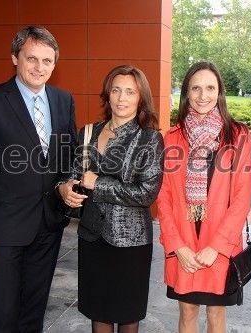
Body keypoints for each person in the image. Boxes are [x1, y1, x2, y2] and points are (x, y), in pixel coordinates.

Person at [0, 26, 77, 332]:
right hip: (1, 230)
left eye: (47, 61)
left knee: (34, 309)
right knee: (4, 312)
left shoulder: (64, 100)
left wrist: (68, 183)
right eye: (32, 58)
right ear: (15, 58)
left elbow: (67, 157)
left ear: (55, 63)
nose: (40, 67)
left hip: (48, 225)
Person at [57, 65, 164, 333]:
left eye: (130, 91)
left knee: (128, 315)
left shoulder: (150, 139)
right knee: (99, 312)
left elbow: (146, 194)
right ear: (108, 94)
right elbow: (73, 174)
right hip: (92, 237)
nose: (121, 98)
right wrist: (65, 188)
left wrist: (99, 184)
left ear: (141, 98)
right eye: (116, 90)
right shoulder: (88, 132)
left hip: (131, 243)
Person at [157, 61, 251, 333]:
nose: (203, 96)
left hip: (219, 243)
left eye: (210, 88)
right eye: (195, 88)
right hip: (184, 243)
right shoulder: (173, 138)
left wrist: (218, 246)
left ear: (220, 92)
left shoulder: (238, 135)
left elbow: (242, 197)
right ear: (186, 92)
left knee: (216, 316)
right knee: (187, 313)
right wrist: (177, 245)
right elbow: (163, 196)